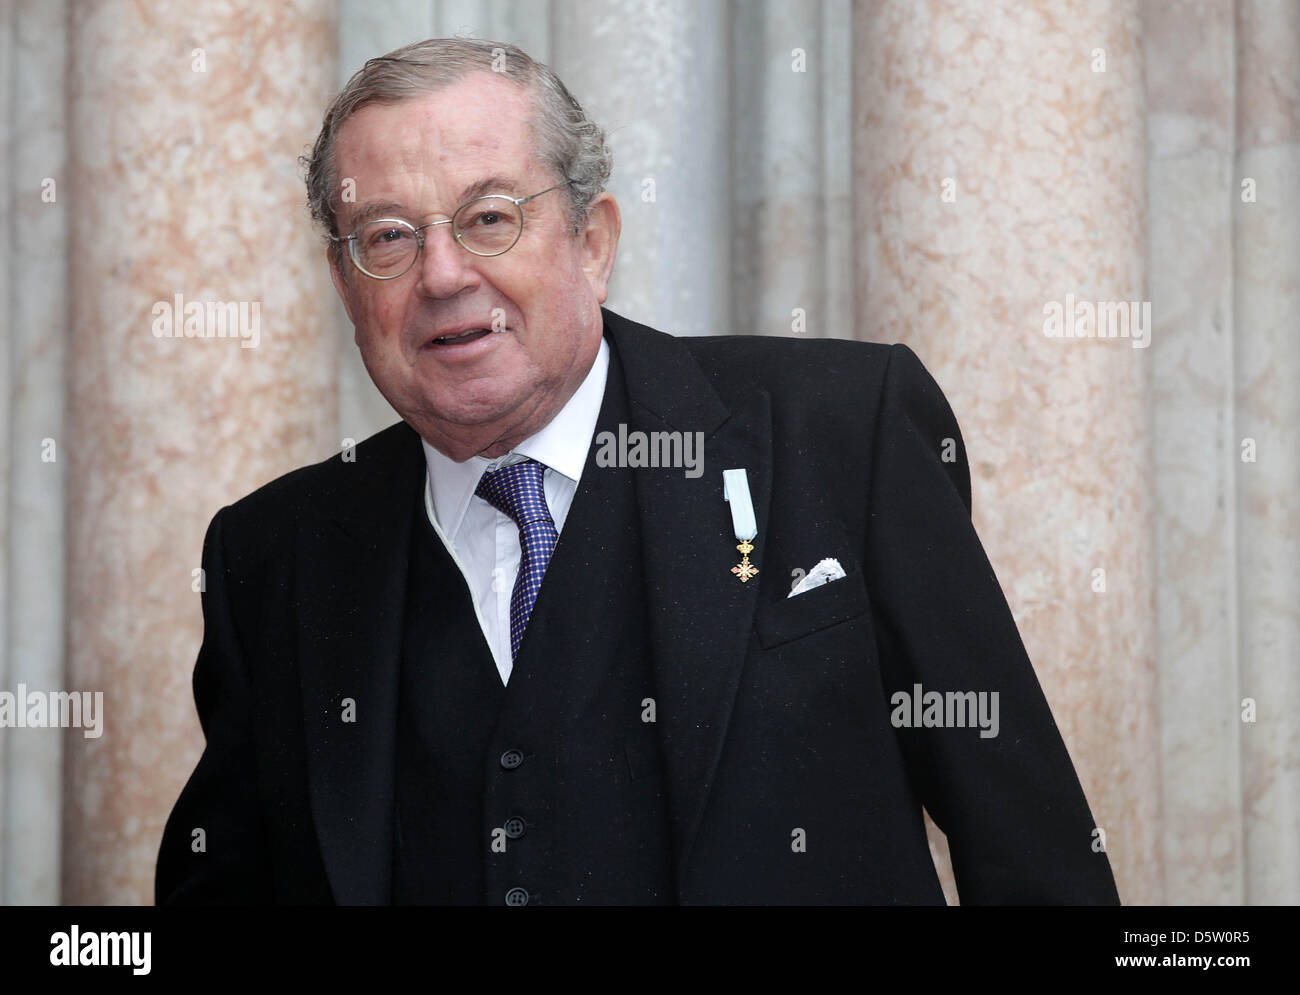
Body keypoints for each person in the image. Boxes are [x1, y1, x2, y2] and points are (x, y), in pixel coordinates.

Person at [155, 37, 1119, 906]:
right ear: (344, 284)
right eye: (390, 238)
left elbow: (1033, 856)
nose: (443, 275)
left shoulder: (840, 431)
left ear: (593, 239)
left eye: (489, 217)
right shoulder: (272, 556)